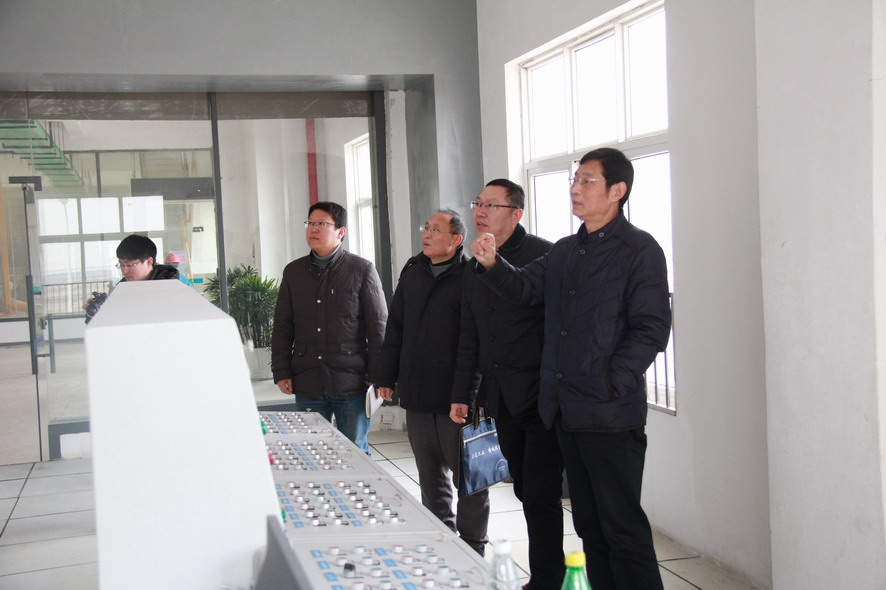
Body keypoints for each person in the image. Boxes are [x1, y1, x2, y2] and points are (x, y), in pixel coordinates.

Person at [471, 148, 671, 590]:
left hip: (609, 414)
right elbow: (525, 288)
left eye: (587, 181)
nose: (575, 189)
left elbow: (652, 328)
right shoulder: (565, 251)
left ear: (617, 191)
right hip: (565, 412)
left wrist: (610, 382)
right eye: (574, 180)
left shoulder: (639, 250)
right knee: (589, 525)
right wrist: (492, 264)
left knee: (622, 526)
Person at [449, 179, 564, 590]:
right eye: (478, 203)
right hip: (501, 396)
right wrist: (464, 393)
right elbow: (470, 333)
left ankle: (547, 579)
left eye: (491, 205)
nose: (481, 211)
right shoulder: (474, 263)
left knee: (541, 494)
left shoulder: (544, 255)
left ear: (517, 213)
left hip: (541, 397)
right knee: (524, 489)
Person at [376, 210, 489, 556]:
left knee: (470, 479)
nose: (426, 234)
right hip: (418, 393)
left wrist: (467, 394)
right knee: (430, 476)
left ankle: (473, 547)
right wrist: (386, 376)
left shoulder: (472, 275)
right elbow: (395, 327)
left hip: (458, 397)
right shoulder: (413, 271)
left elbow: (477, 341)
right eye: (425, 227)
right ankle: (443, 543)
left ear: (456, 240)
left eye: (435, 229)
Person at [271, 201, 387, 455]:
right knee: (315, 450)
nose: (313, 229)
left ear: (340, 232)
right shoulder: (294, 272)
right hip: (308, 378)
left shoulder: (361, 269)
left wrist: (379, 375)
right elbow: (282, 326)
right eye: (310, 223)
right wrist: (281, 370)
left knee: (354, 450)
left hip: (351, 380)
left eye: (322, 224)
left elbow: (378, 327)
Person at [84, 234, 180, 322]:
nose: (124, 271)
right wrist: (95, 315)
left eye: (130, 265)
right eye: (121, 265)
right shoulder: (122, 289)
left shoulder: (172, 287)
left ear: (149, 262)